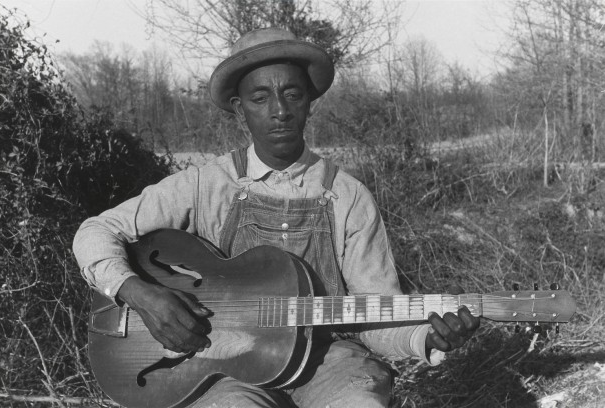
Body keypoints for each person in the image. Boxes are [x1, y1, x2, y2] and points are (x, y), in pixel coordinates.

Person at [73, 28, 479, 408]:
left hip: (330, 363)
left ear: (309, 102)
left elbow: (377, 314)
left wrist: (428, 335)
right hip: (226, 371)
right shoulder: (205, 184)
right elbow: (95, 231)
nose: (280, 110)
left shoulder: (349, 197)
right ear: (239, 110)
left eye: (292, 94)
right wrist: (140, 293)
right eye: (260, 97)